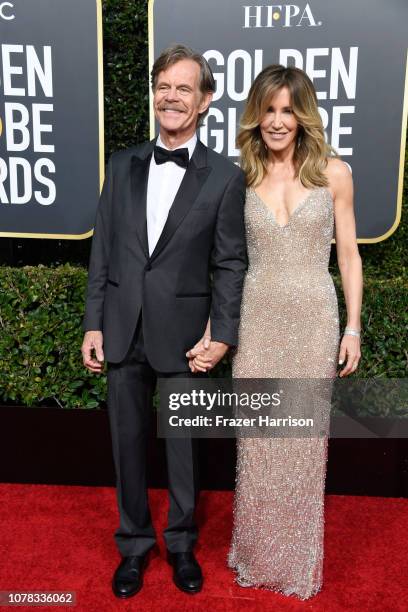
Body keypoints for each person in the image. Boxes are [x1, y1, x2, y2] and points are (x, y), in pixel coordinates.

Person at [189, 65, 363, 599]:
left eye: (288, 109)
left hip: (313, 318)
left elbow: (350, 257)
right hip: (259, 320)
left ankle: (295, 562)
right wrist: (213, 328)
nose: (278, 121)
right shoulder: (238, 176)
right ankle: (258, 554)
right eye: (268, 109)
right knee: (260, 442)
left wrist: (353, 329)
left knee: (302, 443)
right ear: (255, 116)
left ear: (304, 114)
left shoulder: (334, 173)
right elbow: (227, 263)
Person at [81, 44, 247, 598]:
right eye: (163, 87)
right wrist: (93, 322)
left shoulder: (225, 177)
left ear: (205, 100)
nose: (170, 98)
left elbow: (229, 262)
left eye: (183, 88)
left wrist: (221, 333)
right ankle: (133, 545)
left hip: (185, 340)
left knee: (184, 449)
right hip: (123, 327)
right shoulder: (122, 163)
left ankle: (180, 544)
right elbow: (103, 249)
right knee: (125, 445)